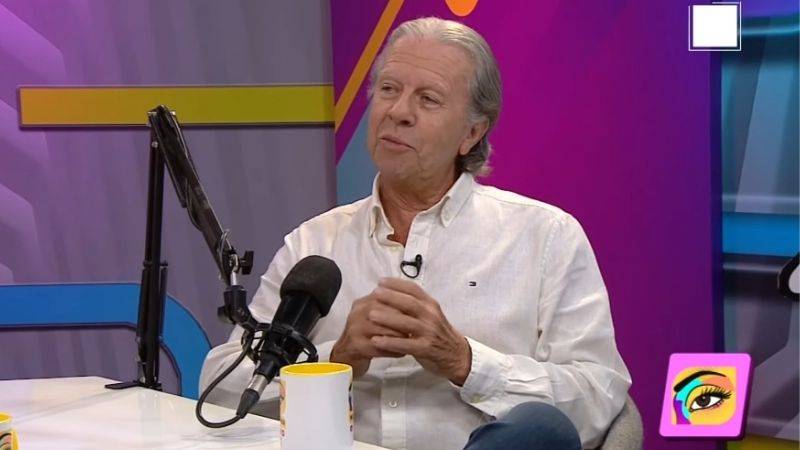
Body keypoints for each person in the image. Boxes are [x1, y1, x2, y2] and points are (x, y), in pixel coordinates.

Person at [200, 17, 631, 450]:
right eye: (389, 89)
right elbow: (221, 391)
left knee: (538, 426)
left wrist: (465, 361)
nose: (398, 112)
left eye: (428, 99)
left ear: (472, 133)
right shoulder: (314, 244)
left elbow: (598, 397)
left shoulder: (545, 237)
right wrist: (337, 359)